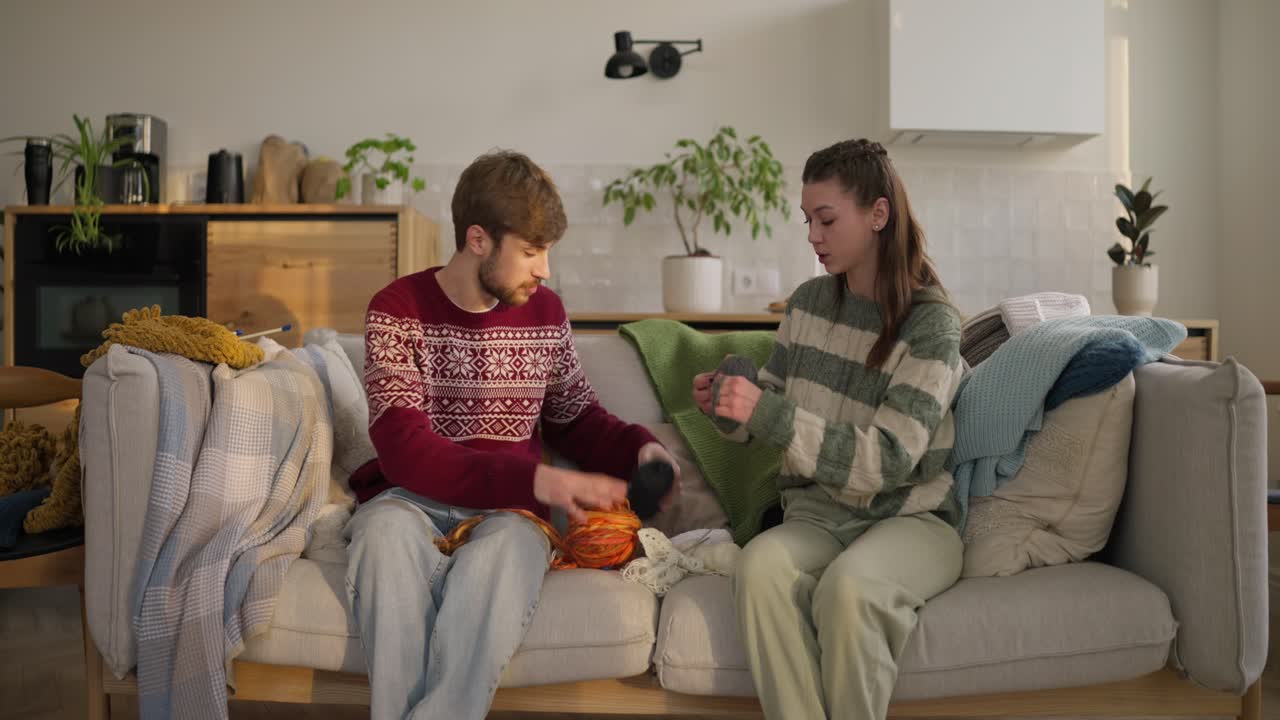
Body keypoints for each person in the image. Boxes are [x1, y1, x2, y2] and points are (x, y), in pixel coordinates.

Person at [345, 149, 680, 720]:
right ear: (478, 240)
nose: (544, 269)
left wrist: (639, 447)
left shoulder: (546, 312)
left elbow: (577, 417)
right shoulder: (396, 309)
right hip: (409, 500)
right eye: (530, 252)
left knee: (501, 555)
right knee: (381, 539)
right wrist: (538, 478)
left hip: (509, 515)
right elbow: (405, 451)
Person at [693, 138, 965, 720]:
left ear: (877, 215)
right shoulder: (809, 303)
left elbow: (888, 460)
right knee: (761, 565)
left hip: (909, 520)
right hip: (818, 514)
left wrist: (765, 412)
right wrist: (729, 409)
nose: (812, 236)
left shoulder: (932, 324)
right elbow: (772, 413)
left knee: (849, 590)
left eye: (826, 219)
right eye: (807, 220)